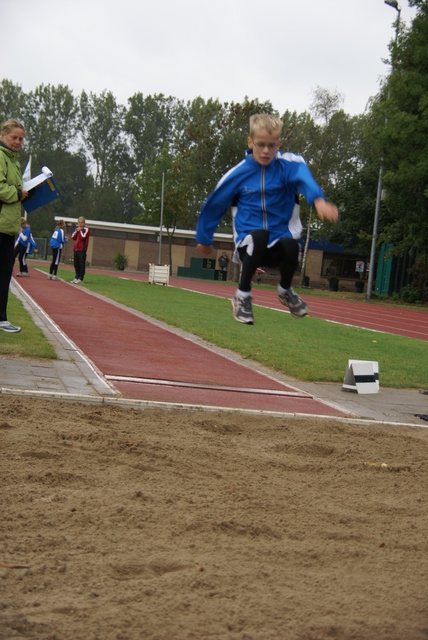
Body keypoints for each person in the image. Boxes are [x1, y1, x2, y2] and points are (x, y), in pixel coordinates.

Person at [196, 113, 338, 324]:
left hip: (277, 244)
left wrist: (318, 200)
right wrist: (204, 239)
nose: (266, 151)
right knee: (259, 236)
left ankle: (285, 290)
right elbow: (215, 203)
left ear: (279, 143)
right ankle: (242, 296)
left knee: (292, 246)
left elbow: (304, 177)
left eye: (271, 146)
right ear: (250, 142)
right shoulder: (238, 173)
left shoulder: (287, 166)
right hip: (249, 243)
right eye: (261, 144)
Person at [0, 119, 29, 332]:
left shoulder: (14, 161)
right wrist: (18, 194)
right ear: (3, 135)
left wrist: (26, 194)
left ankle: (1, 318)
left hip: (9, 228)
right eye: (14, 137)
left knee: (4, 274)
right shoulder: (1, 156)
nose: (18, 142)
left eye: (21, 139)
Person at [70, 216, 90, 284]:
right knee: (76, 264)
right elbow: (73, 237)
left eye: (82, 222)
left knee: (81, 264)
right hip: (76, 249)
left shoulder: (86, 229)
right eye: (79, 222)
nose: (80, 224)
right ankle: (76, 277)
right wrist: (77, 231)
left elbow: (83, 237)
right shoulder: (77, 229)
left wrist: (81, 230)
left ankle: (81, 278)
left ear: (84, 223)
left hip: (82, 250)